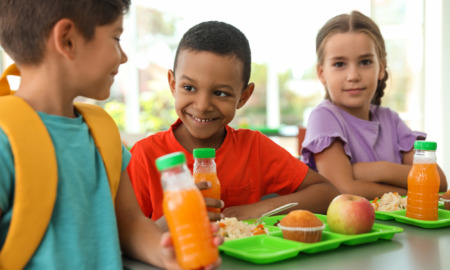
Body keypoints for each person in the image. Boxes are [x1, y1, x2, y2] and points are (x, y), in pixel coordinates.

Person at [0, 1, 221, 269]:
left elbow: (129, 223)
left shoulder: (102, 131)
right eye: (116, 38)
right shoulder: (4, 139)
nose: (124, 56)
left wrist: (167, 255)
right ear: (67, 40)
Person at [127, 20, 339, 230]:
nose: (202, 106)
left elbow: (326, 193)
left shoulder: (254, 148)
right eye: (189, 87)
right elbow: (127, 234)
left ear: (243, 97)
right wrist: (176, 218)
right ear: (173, 85)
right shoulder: (146, 156)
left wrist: (259, 209)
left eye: (220, 93)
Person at [301, 10, 447, 200]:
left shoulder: (390, 120)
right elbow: (344, 191)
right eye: (339, 64)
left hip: (402, 230)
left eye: (365, 62)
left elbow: (438, 181)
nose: (353, 75)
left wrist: (379, 170)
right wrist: (415, 190)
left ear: (381, 68)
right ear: (321, 73)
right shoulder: (324, 117)